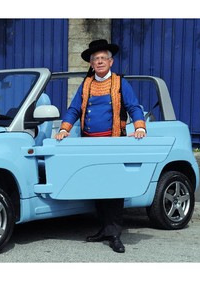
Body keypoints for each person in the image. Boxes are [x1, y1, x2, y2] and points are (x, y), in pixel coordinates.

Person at [54, 39, 147, 253]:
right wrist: (64, 129)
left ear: (111, 61)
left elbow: (134, 106)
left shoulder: (120, 83)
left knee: (114, 188)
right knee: (97, 186)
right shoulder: (86, 85)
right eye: (95, 59)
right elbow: (74, 109)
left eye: (103, 58)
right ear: (91, 63)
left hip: (113, 143)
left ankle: (114, 234)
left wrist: (140, 127)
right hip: (90, 144)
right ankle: (104, 229)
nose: (99, 61)